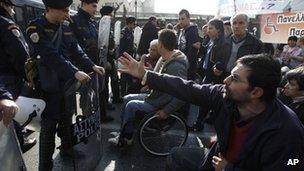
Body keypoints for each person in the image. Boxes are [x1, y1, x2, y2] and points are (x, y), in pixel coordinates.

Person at [118, 53, 304, 170]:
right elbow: (186, 88)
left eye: (235, 78)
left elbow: (290, 166)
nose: (226, 81)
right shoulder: (223, 96)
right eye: (230, 74)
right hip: (215, 158)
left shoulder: (288, 131)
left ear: (256, 92)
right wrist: (146, 75)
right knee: (176, 156)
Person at [26, 0, 105, 170]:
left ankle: (67, 148)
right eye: (64, 10)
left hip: (67, 83)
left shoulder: (66, 26)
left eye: (68, 10)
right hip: (48, 85)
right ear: (50, 9)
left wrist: (91, 65)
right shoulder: (35, 28)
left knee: (67, 117)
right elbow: (50, 55)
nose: (67, 14)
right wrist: (74, 71)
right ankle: (45, 165)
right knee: (48, 126)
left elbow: (76, 49)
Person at [108, 29, 188, 146]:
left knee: (131, 105)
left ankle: (126, 138)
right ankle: (124, 132)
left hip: (161, 102)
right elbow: (157, 77)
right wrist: (141, 70)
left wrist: (167, 111)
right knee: (127, 98)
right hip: (155, 96)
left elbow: (182, 94)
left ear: (160, 45)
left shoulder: (176, 66)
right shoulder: (165, 58)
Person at [0, 0, 37, 153]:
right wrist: (28, 77)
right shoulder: (6, 24)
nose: (13, 10)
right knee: (12, 114)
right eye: (11, 6)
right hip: (8, 78)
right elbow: (20, 55)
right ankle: (19, 144)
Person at [99, 5, 122, 110]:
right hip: (106, 60)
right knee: (104, 83)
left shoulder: (108, 24)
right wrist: (106, 61)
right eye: (112, 13)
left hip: (111, 58)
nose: (113, 15)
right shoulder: (103, 25)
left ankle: (110, 101)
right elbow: (102, 45)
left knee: (112, 79)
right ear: (108, 13)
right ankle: (104, 105)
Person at [177, 9, 200, 80]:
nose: (180, 21)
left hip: (188, 66)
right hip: (180, 63)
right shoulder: (181, 31)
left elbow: (192, 52)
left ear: (188, 19)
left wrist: (185, 64)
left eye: (183, 19)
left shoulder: (192, 31)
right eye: (179, 19)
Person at [119, 16, 136, 96]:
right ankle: (123, 92)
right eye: (134, 24)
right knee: (124, 75)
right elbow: (121, 46)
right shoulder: (124, 32)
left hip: (130, 56)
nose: (134, 26)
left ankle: (129, 91)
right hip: (124, 56)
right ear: (129, 23)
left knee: (129, 74)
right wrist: (121, 57)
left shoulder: (130, 31)